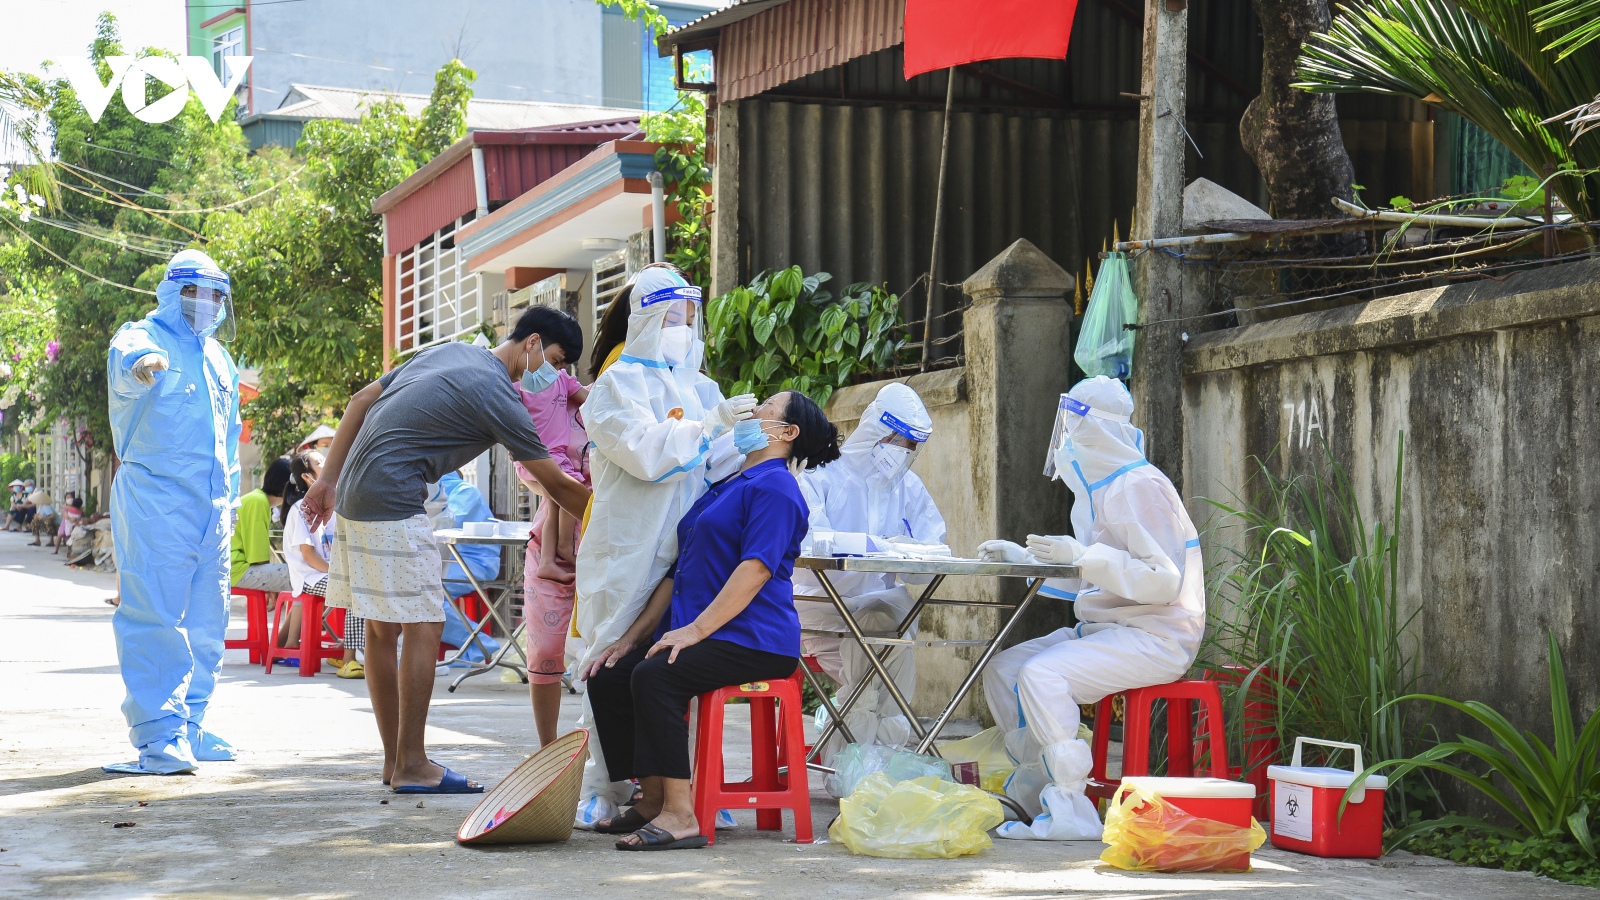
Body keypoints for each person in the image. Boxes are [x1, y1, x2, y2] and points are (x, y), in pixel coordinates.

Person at [303, 306, 591, 794]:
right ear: (533, 343)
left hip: (355, 487)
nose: (557, 375)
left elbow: (360, 399)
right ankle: (413, 763)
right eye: (557, 361)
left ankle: (396, 762)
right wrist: (617, 516)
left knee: (381, 627)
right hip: (393, 494)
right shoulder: (499, 394)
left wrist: (328, 479)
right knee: (426, 622)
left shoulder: (453, 352)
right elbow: (555, 485)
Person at [584, 391, 840, 850]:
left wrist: (696, 630)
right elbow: (676, 571)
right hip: (705, 629)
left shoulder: (777, 488)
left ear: (787, 432)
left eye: (766, 406)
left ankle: (680, 815)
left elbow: (756, 569)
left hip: (755, 639)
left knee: (656, 677)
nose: (753, 409)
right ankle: (652, 797)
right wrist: (629, 638)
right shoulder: (729, 483)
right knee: (611, 674)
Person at [976, 376, 1205, 840]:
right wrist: (1025, 561)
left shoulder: (1138, 486)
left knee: (1043, 675)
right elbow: (1095, 583)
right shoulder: (1101, 491)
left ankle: (1070, 809)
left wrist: (1081, 556)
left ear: (1097, 429)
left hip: (1158, 636)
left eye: (1074, 424)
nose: (1067, 437)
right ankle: (1034, 789)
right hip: (1112, 628)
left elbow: (1163, 582)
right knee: (1003, 670)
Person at [571, 263, 755, 826]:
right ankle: (604, 785)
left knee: (677, 663)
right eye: (672, 318)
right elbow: (647, 456)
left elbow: (709, 466)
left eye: (689, 318)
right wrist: (707, 429)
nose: (683, 328)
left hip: (687, 550)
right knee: (608, 660)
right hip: (625, 550)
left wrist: (737, 442)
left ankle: (683, 788)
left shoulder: (701, 387)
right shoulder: (613, 387)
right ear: (646, 320)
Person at [103, 248, 242, 775]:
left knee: (209, 620)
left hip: (213, 508)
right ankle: (158, 738)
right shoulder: (143, 337)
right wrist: (141, 366)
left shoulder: (218, 358)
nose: (206, 304)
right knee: (154, 617)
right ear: (170, 292)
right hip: (156, 503)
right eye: (194, 292)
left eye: (214, 294)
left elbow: (227, 440)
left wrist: (228, 500)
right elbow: (127, 358)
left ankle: (192, 724)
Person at [794, 382, 946, 760]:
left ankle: (858, 763)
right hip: (821, 612)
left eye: (913, 446)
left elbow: (935, 552)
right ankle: (879, 758)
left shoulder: (908, 487)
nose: (906, 454)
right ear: (878, 430)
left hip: (878, 619)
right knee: (886, 634)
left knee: (883, 622)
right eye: (900, 441)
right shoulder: (821, 475)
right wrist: (883, 546)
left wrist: (916, 556)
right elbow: (812, 544)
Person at [436, 470, 504, 670]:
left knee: (430, 594)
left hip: (475, 562)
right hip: (452, 560)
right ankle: (470, 643)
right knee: (416, 590)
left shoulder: (465, 491)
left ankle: (477, 642)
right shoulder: (441, 491)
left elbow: (447, 522)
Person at [232, 456, 292, 595]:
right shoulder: (258, 502)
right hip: (236, 570)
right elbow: (258, 557)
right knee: (302, 575)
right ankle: (297, 618)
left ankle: (293, 618)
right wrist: (270, 586)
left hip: (235, 568)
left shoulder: (256, 498)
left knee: (302, 575)